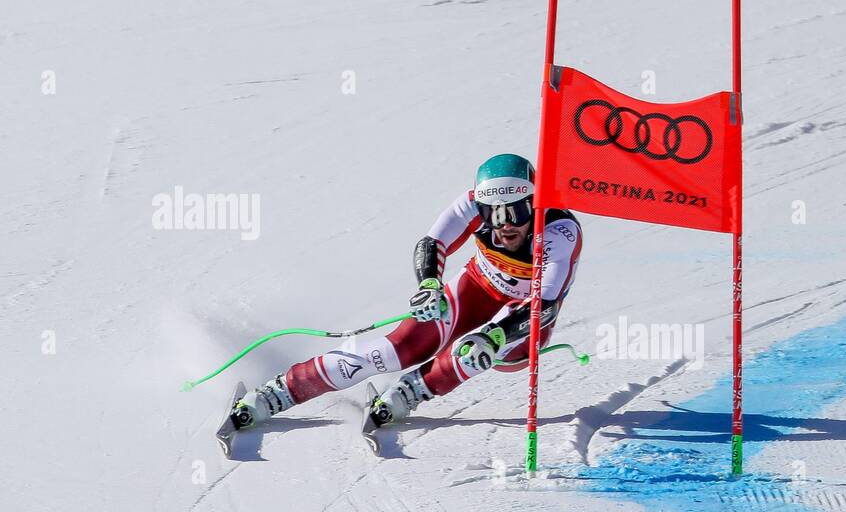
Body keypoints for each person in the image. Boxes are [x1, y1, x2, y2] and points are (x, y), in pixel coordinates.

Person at [228, 153, 582, 430]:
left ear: (534, 201)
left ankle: (416, 389)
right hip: (477, 288)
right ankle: (281, 391)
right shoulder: (471, 204)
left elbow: (544, 304)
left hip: (525, 321)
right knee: (396, 350)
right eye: (494, 214)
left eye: (516, 211)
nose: (505, 225)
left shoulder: (559, 231)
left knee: (472, 353)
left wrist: (494, 336)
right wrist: (429, 286)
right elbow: (433, 242)